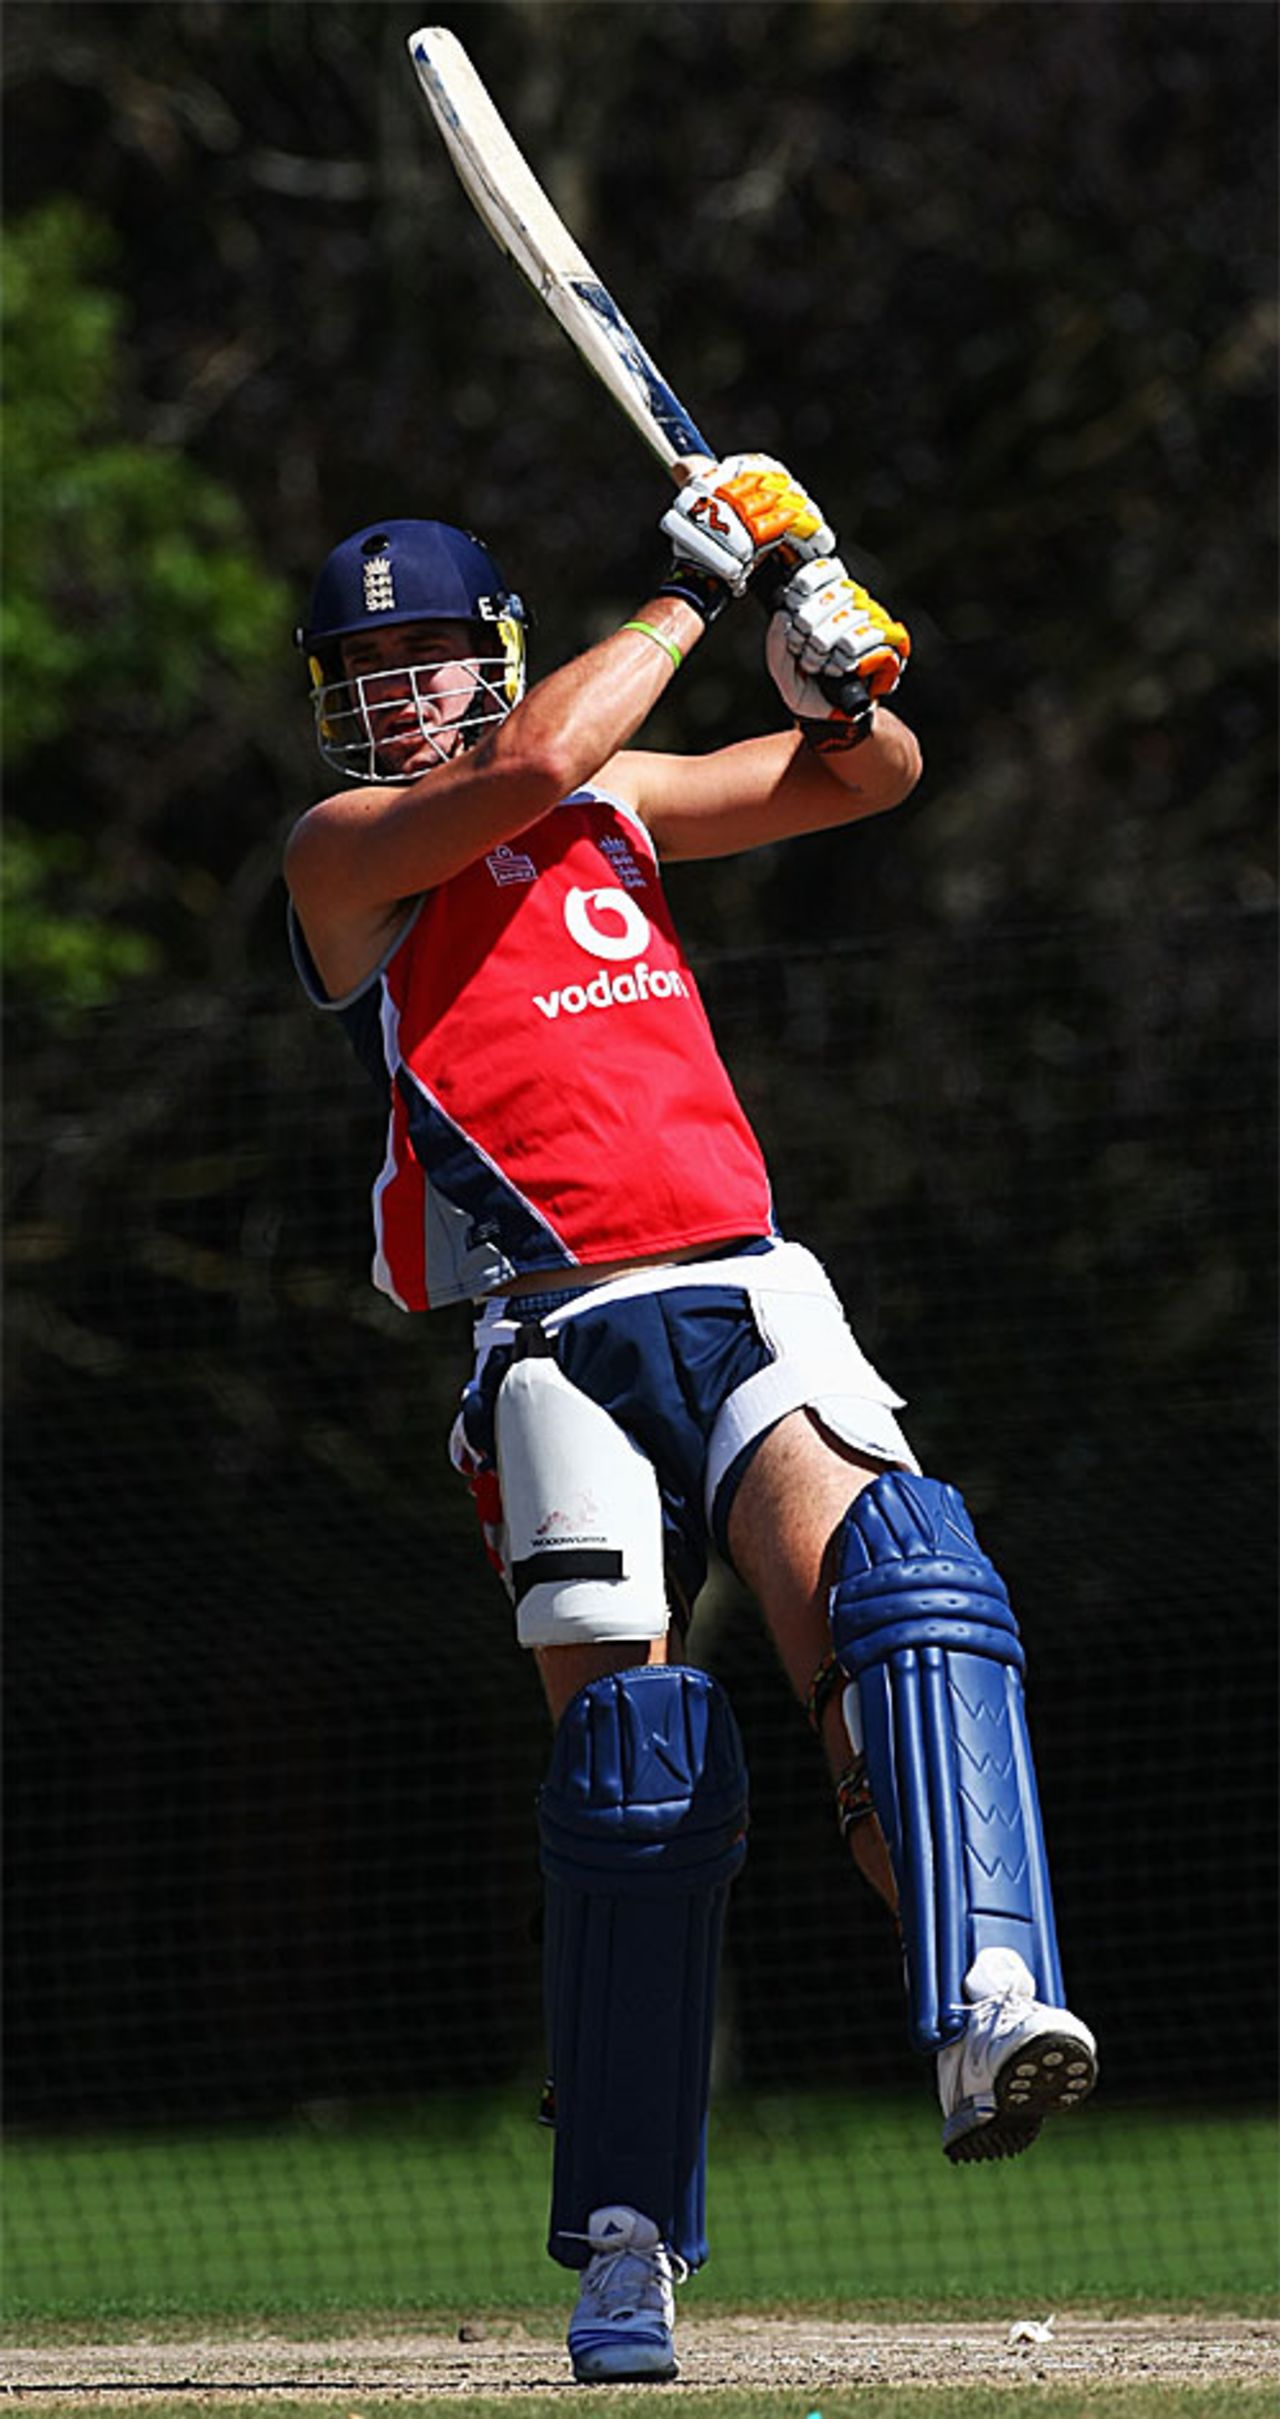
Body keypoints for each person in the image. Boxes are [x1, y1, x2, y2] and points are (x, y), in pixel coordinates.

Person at [284, 458, 1098, 2383]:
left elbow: (866, 786)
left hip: (737, 1277)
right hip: (550, 1330)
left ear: (485, 654)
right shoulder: (345, 851)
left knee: (908, 1602)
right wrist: (690, 593)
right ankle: (632, 2237)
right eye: (364, 665)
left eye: (427, 656)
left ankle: (989, 1994)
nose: (399, 692)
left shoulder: (617, 805)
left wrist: (834, 661)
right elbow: (528, 766)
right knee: (636, 1779)